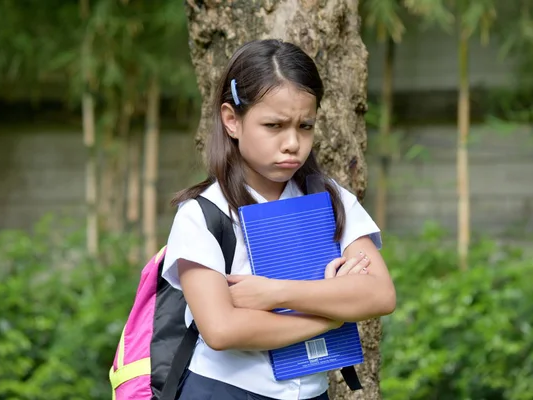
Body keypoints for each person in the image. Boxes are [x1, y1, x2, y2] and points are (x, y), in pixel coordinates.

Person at [161, 39, 396, 400]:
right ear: (231, 120)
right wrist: (331, 314)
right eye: (274, 125)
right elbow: (221, 329)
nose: (292, 143)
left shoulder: (329, 199)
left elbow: (379, 294)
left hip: (311, 393)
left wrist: (274, 293)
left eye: (305, 126)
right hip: (224, 391)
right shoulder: (204, 214)